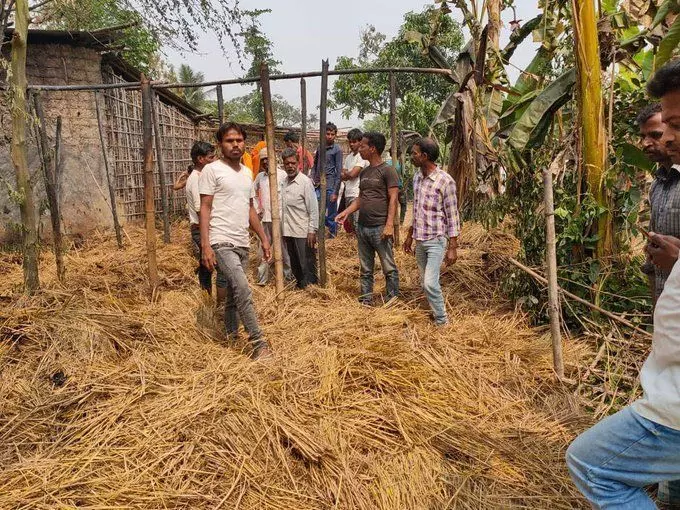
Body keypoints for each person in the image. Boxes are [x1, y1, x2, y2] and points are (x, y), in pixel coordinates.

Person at [566, 60, 680, 509]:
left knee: (592, 463)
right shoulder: (662, 183)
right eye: (657, 130)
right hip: (667, 343)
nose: (661, 140)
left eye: (671, 126)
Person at [199, 122, 272, 360]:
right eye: (230, 141)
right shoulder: (212, 170)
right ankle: (259, 343)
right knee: (243, 289)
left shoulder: (246, 173)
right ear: (220, 144)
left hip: (242, 242)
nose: (235, 145)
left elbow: (249, 208)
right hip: (221, 241)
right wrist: (206, 245)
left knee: (232, 295)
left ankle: (231, 335)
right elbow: (205, 207)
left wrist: (263, 238)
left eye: (239, 140)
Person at [335, 131, 400, 305]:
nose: (360, 149)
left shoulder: (388, 171)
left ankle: (392, 299)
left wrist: (389, 225)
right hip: (363, 227)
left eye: (363, 146)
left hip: (380, 227)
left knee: (389, 268)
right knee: (365, 268)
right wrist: (346, 211)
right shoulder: (365, 172)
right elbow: (361, 198)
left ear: (372, 149)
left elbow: (393, 199)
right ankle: (366, 300)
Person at [403, 138, 460, 326]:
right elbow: (417, 210)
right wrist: (410, 236)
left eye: (414, 153)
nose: (411, 156)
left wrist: (453, 247)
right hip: (420, 239)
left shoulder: (445, 181)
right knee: (424, 281)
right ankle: (433, 311)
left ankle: (442, 321)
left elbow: (452, 216)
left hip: (436, 240)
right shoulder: (417, 178)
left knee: (429, 282)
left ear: (425, 156)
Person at [637, 103, 679, 306]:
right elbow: (654, 257)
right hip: (668, 305)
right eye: (643, 137)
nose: (646, 143)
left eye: (655, 134)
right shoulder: (657, 186)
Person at [184, 141, 227, 301]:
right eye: (211, 157)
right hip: (202, 227)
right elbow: (200, 209)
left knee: (207, 267)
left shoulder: (202, 177)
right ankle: (213, 300)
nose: (214, 159)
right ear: (200, 159)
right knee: (216, 266)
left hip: (205, 227)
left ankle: (208, 297)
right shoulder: (196, 179)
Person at [280, 147, 319, 288]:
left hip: (302, 230)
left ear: (298, 163)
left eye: (293, 163)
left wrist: (312, 230)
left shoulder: (305, 182)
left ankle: (311, 288)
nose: (290, 166)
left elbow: (313, 208)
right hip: (288, 229)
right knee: (294, 261)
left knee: (306, 262)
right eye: (287, 164)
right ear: (283, 165)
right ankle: (300, 286)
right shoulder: (283, 182)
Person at [253, 146, 292, 285]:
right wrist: (258, 209)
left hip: (281, 219)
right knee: (263, 250)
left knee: (284, 250)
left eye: (267, 159)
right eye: (262, 160)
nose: (265, 162)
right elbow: (253, 194)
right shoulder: (260, 177)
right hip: (266, 219)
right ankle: (262, 279)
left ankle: (288, 278)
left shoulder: (282, 175)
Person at [312, 122, 344, 238]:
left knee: (331, 213)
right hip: (319, 185)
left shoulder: (337, 150)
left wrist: (335, 191)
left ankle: (332, 235)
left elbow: (339, 170)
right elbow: (315, 165)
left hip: (331, 185)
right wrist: (313, 178)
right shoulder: (320, 148)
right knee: (316, 210)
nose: (329, 136)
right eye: (327, 134)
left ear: (335, 135)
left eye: (332, 134)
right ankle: (320, 231)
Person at [341, 128, 369, 233]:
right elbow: (343, 175)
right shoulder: (348, 158)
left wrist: (348, 173)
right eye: (350, 142)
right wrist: (349, 174)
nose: (351, 144)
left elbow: (353, 174)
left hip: (357, 193)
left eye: (354, 142)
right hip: (348, 193)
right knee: (351, 223)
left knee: (358, 223)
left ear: (360, 142)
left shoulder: (361, 156)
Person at [387, 147, 408, 225]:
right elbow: (403, 174)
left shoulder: (387, 163)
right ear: (399, 155)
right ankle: (401, 222)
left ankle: (392, 220)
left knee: (391, 204)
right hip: (399, 187)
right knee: (403, 204)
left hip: (390, 187)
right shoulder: (400, 163)